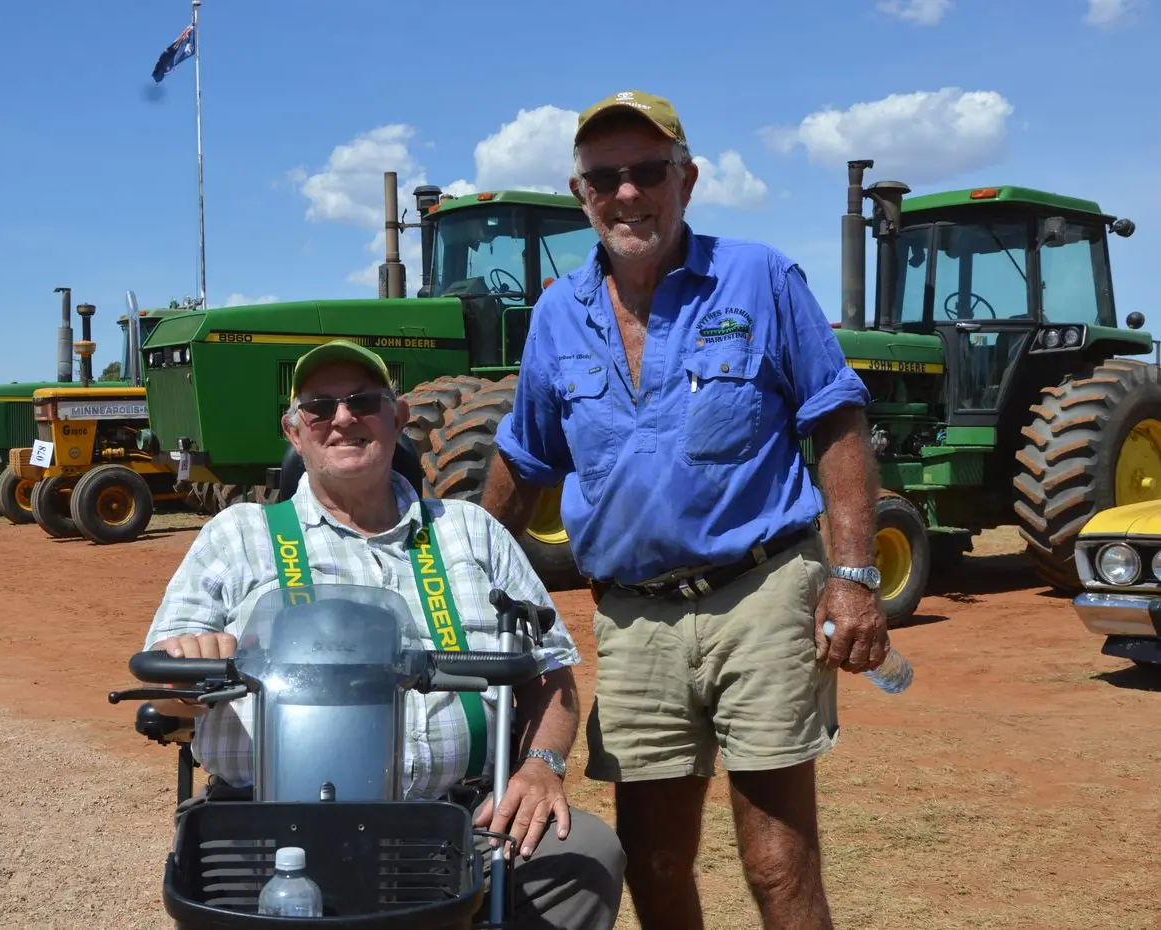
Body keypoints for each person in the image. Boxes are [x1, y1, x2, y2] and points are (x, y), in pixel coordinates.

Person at [481, 90, 887, 930]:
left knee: (777, 864)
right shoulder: (558, 315)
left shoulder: (758, 276)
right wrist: (453, 571)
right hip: (632, 619)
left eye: (646, 172)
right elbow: (521, 462)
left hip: (761, 595)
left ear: (686, 179)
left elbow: (837, 422)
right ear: (579, 192)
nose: (626, 194)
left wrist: (852, 576)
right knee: (654, 862)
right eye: (605, 178)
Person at [143, 339, 626, 930]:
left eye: (363, 401)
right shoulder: (237, 535)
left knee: (587, 855)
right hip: (271, 824)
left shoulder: (473, 532)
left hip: (458, 818)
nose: (343, 418)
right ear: (294, 433)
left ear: (398, 418)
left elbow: (549, 671)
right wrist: (187, 665)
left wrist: (541, 765)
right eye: (320, 407)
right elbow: (164, 690)